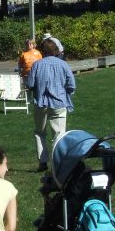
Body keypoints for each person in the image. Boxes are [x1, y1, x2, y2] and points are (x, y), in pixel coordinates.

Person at [28, 39, 76, 172]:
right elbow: (71, 85)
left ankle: (43, 162)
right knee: (59, 134)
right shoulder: (63, 65)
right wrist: (65, 93)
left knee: (40, 133)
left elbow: (30, 84)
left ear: (43, 51)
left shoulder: (37, 65)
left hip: (41, 103)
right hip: (59, 102)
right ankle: (57, 161)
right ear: (56, 51)